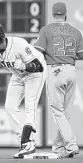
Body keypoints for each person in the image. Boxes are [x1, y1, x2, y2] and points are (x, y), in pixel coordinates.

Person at [0, 23, 47, 158]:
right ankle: (23, 141)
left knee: (30, 104)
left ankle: (28, 142)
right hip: (17, 74)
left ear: (2, 35)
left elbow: (39, 67)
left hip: (34, 72)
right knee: (9, 107)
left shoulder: (18, 44)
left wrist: (24, 65)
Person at [34, 2, 83, 158]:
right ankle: (58, 148)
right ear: (65, 13)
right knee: (65, 113)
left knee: (58, 112)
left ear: (53, 14)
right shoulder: (76, 32)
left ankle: (71, 145)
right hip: (71, 70)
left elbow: (38, 52)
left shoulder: (46, 30)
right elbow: (81, 55)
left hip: (55, 71)